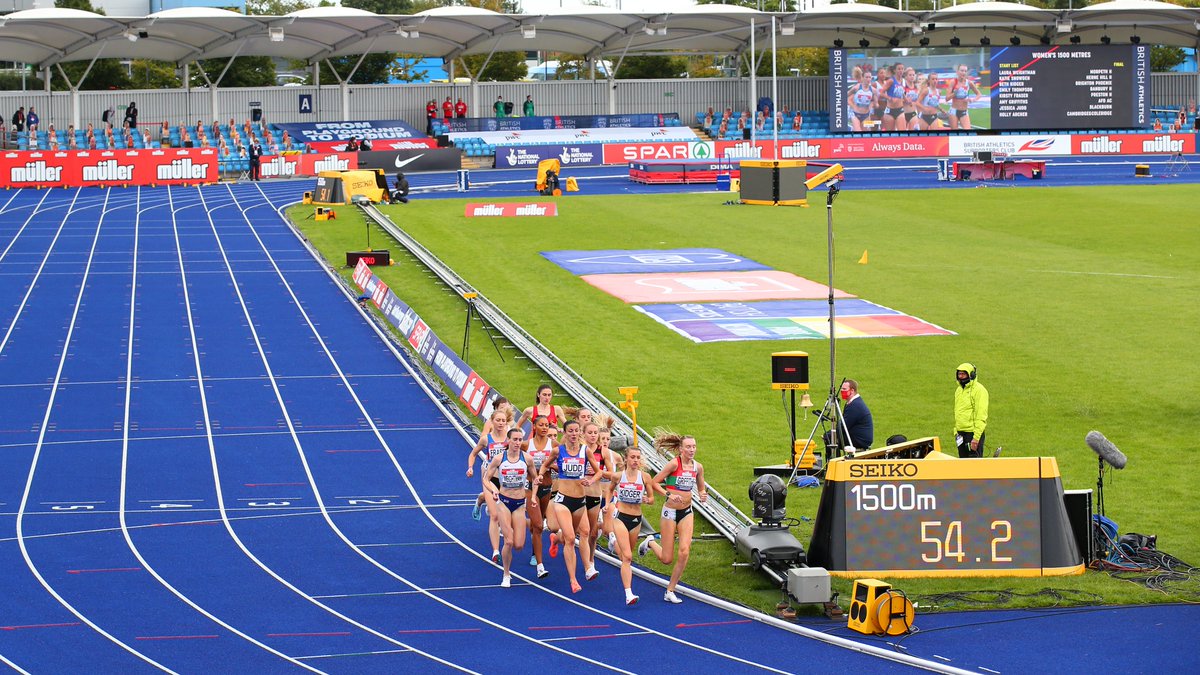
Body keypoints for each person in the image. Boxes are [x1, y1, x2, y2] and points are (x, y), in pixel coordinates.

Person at [534, 419, 602, 593]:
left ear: (580, 433)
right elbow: (544, 464)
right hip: (563, 500)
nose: (573, 434)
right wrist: (540, 475)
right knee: (571, 538)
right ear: (565, 433)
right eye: (570, 431)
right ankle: (574, 579)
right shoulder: (558, 451)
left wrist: (591, 479)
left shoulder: (585, 451)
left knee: (585, 532)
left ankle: (557, 540)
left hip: (580, 501)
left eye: (576, 431)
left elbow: (599, 471)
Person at [639, 431, 707, 604]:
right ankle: (650, 542)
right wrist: (668, 495)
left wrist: (702, 493)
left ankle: (670, 590)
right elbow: (654, 483)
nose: (692, 450)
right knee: (666, 559)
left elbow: (701, 486)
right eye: (688, 447)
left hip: (686, 512)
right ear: (681, 449)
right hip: (670, 512)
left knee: (684, 551)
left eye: (694, 447)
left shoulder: (697, 467)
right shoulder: (673, 465)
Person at [597, 444, 664, 605]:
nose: (635, 460)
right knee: (627, 557)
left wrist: (648, 500)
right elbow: (609, 491)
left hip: (636, 520)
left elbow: (652, 498)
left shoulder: (645, 477)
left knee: (624, 553)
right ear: (626, 459)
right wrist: (607, 504)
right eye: (632, 457)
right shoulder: (618, 476)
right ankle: (629, 594)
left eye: (638, 457)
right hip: (620, 517)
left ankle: (616, 542)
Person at [483, 427, 534, 588]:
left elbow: (535, 477)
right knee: (509, 542)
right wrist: (494, 489)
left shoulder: (527, 459)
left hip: (519, 505)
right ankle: (506, 574)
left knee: (519, 545)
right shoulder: (499, 459)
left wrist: (533, 494)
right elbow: (486, 478)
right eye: (515, 439)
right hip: (503, 502)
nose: (518, 443)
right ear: (509, 441)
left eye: (520, 440)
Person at [466, 408, 511, 563]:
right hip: (489, 476)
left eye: (503, 421)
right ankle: (496, 551)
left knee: (500, 507)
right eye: (497, 420)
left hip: (506, 478)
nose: (500, 423)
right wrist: (470, 467)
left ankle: (480, 500)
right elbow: (473, 453)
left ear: (507, 423)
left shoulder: (511, 438)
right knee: (494, 514)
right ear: (492, 421)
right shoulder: (486, 439)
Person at [524, 414, 557, 579]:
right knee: (538, 525)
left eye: (547, 425)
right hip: (530, 489)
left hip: (547, 488)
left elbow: (563, 464)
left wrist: (552, 465)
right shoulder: (526, 445)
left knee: (540, 523)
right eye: (541, 425)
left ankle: (533, 550)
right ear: (534, 427)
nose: (544, 428)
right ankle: (540, 565)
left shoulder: (554, 445)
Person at [953, 363, 989, 458]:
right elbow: (958, 412)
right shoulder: (958, 391)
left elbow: (981, 415)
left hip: (972, 434)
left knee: (974, 466)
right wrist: (956, 432)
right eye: (959, 374)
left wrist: (976, 438)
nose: (960, 377)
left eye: (963, 374)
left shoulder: (980, 391)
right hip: (960, 434)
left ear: (971, 375)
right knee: (963, 465)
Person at [840, 379, 873, 451]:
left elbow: (843, 426)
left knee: (830, 438)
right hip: (858, 437)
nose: (841, 391)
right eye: (841, 388)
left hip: (859, 440)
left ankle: (832, 460)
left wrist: (829, 434)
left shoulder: (855, 405)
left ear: (852, 390)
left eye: (844, 389)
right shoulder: (853, 403)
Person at [947, 64, 981, 131]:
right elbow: (947, 98)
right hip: (954, 111)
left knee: (967, 131)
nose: (963, 73)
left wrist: (973, 100)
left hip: (964, 111)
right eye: (962, 70)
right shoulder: (953, 82)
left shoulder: (969, 83)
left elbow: (979, 94)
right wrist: (954, 93)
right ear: (957, 72)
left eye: (965, 71)